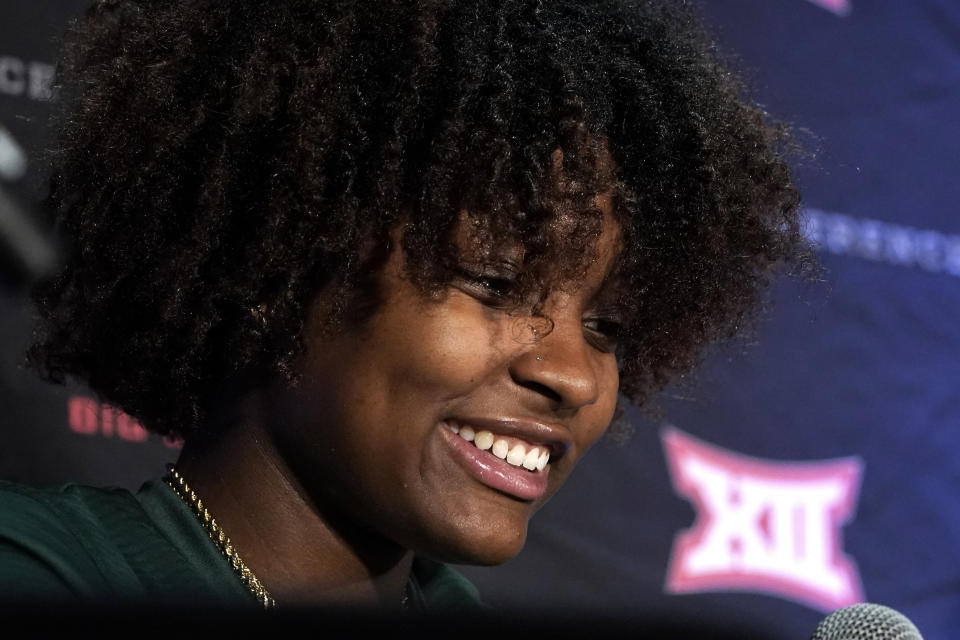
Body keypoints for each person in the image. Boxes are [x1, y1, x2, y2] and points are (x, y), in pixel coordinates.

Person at [0, 0, 809, 612]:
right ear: (274, 270)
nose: (574, 376)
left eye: (606, 328)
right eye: (492, 284)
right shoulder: (43, 582)